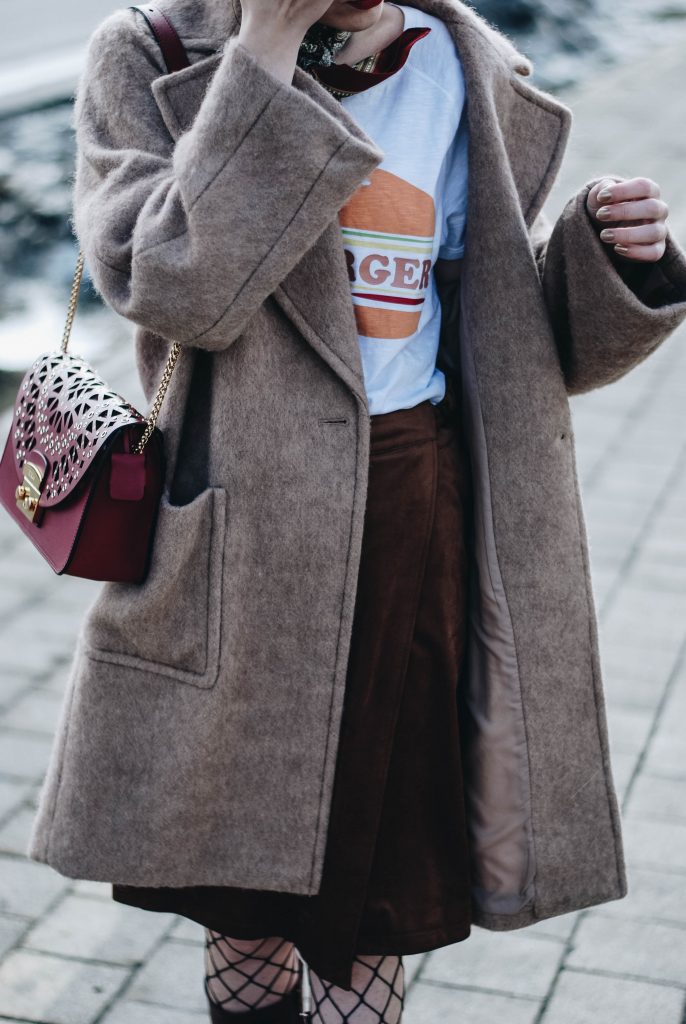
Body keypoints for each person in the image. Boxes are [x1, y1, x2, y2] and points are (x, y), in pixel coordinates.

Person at [26, 1, 686, 1022]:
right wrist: (263, 56)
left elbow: (507, 344)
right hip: (244, 543)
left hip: (417, 516)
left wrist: (606, 257)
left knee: (383, 903)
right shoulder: (153, 54)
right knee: (244, 911)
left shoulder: (465, 64)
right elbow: (170, 285)